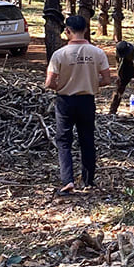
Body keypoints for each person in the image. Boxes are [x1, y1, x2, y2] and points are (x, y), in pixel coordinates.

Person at [44, 15, 113, 193]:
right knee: (87, 140)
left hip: (65, 101)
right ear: (86, 29)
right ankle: (88, 181)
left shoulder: (59, 54)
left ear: (67, 31)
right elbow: (107, 79)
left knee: (64, 140)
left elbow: (49, 82)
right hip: (87, 101)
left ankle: (68, 180)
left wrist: (65, 85)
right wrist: (90, 82)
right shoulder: (97, 53)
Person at [110, 40, 134, 116]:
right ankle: (112, 110)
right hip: (125, 67)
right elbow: (118, 64)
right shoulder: (119, 50)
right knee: (119, 88)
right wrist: (119, 76)